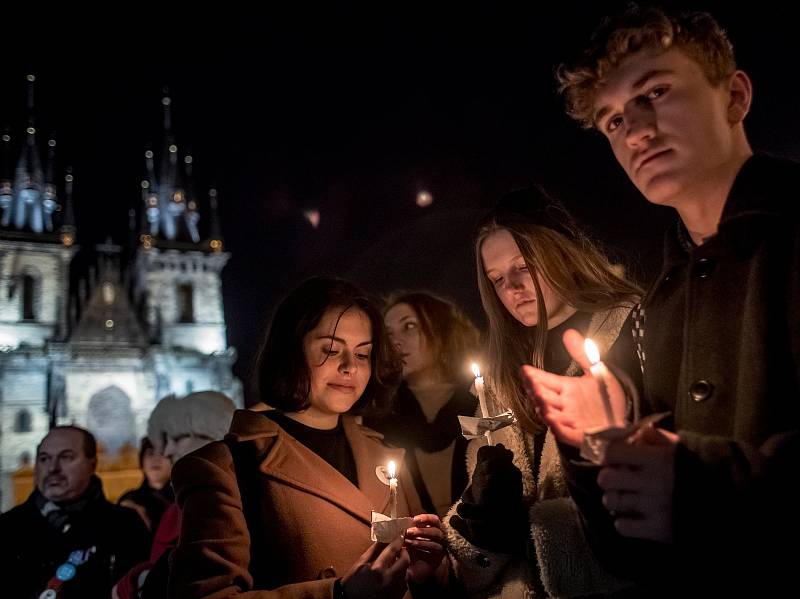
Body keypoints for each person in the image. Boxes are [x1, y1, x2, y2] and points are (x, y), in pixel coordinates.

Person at [522, 5, 800, 594]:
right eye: (614, 121)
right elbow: (631, 554)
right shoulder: (663, 304)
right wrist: (595, 444)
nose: (637, 131)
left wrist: (699, 486)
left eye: (655, 91)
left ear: (735, 96)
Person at [169, 276, 447, 599]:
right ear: (291, 351)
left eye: (362, 354)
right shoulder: (225, 466)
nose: (349, 368)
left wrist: (425, 575)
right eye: (331, 349)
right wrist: (339, 594)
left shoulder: (386, 454)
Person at [444, 186, 642, 597]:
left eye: (523, 266)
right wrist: (479, 523)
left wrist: (542, 527)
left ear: (559, 253)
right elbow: (466, 506)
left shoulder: (633, 332)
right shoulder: (496, 377)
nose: (512, 288)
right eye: (497, 280)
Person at [365, 292, 481, 517]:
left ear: (441, 329)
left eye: (409, 326)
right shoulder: (381, 415)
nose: (396, 341)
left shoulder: (480, 401)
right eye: (388, 334)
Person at [0, 426, 150, 599]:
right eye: (44, 459)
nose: (52, 468)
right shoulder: (6, 528)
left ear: (92, 464)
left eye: (65, 457)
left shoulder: (124, 525)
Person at [113, 391, 236, 599]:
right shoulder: (176, 508)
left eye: (177, 438)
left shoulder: (235, 500)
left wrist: (141, 580)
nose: (167, 452)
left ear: (213, 435)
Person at [118, 436, 173, 534]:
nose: (156, 459)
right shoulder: (130, 499)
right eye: (150, 453)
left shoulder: (183, 500)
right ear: (142, 462)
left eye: (162, 453)